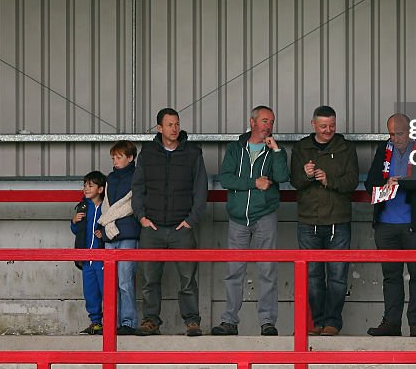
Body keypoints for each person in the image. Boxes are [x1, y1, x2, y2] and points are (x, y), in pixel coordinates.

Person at [211, 105, 290, 337]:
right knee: (234, 270)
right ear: (252, 122)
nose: (269, 126)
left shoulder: (275, 150)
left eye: (272, 122)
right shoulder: (236, 149)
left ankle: (267, 321)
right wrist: (253, 182)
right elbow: (225, 179)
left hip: (265, 215)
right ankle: (229, 321)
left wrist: (276, 151)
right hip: (237, 218)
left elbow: (283, 177)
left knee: (268, 270)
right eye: (265, 121)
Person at [131, 107, 208, 337]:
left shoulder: (193, 154)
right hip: (152, 228)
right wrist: (141, 217)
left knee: (187, 279)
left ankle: (192, 321)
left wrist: (191, 220)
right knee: (149, 279)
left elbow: (200, 189)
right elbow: (138, 188)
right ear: (159, 128)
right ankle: (151, 321)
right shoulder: (147, 154)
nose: (174, 129)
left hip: (181, 228)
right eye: (169, 125)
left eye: (177, 124)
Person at [363, 113, 416, 337]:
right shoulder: (383, 150)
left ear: (410, 131)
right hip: (386, 224)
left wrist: (402, 182)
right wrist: (384, 184)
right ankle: (391, 323)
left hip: (414, 224)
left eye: (399, 133)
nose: (395, 138)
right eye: (391, 134)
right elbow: (370, 183)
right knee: (391, 276)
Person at [289, 105, 360, 336]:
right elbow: (294, 182)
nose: (328, 130)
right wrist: (307, 175)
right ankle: (317, 322)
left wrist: (330, 181)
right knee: (312, 277)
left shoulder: (347, 148)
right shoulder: (301, 147)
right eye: (323, 126)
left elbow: (352, 182)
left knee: (338, 276)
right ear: (313, 125)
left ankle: (332, 323)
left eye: (332, 125)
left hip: (338, 221)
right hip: (308, 220)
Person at [98, 140, 140, 335]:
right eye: (113, 157)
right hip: (111, 235)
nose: (115, 160)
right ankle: (110, 323)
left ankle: (128, 322)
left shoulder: (138, 176)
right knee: (110, 282)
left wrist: (106, 219)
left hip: (129, 234)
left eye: (119, 157)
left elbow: (132, 205)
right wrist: (108, 222)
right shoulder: (110, 178)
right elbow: (107, 204)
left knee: (125, 280)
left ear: (130, 157)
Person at [70, 170, 107, 335]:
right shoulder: (83, 206)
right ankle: (95, 322)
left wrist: (103, 234)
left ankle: (111, 322)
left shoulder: (107, 206)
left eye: (90, 185)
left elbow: (113, 227)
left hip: (102, 257)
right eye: (85, 185)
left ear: (100, 189)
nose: (86, 188)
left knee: (105, 290)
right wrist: (74, 221)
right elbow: (76, 230)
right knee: (90, 291)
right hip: (86, 258)